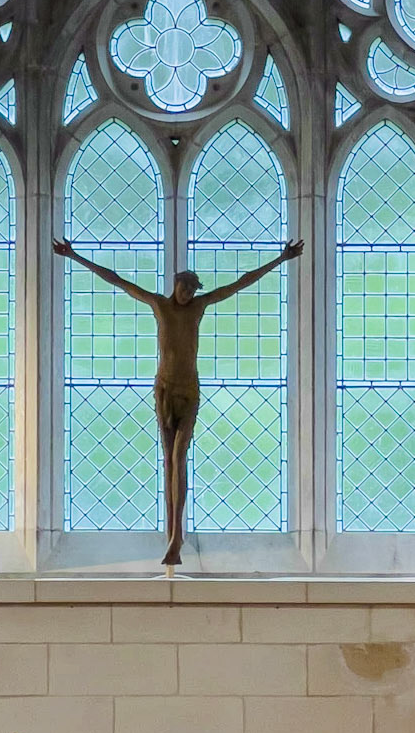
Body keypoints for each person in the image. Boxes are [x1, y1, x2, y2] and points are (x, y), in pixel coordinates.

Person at [52, 235, 303, 564]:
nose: (189, 293)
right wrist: (74, 256)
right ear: (176, 285)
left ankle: (176, 535)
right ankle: (174, 535)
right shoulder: (159, 305)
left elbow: (240, 284)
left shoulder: (198, 307)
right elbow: (117, 279)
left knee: (180, 459)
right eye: (185, 287)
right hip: (166, 390)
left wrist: (281, 259)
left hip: (189, 391)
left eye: (193, 289)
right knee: (169, 461)